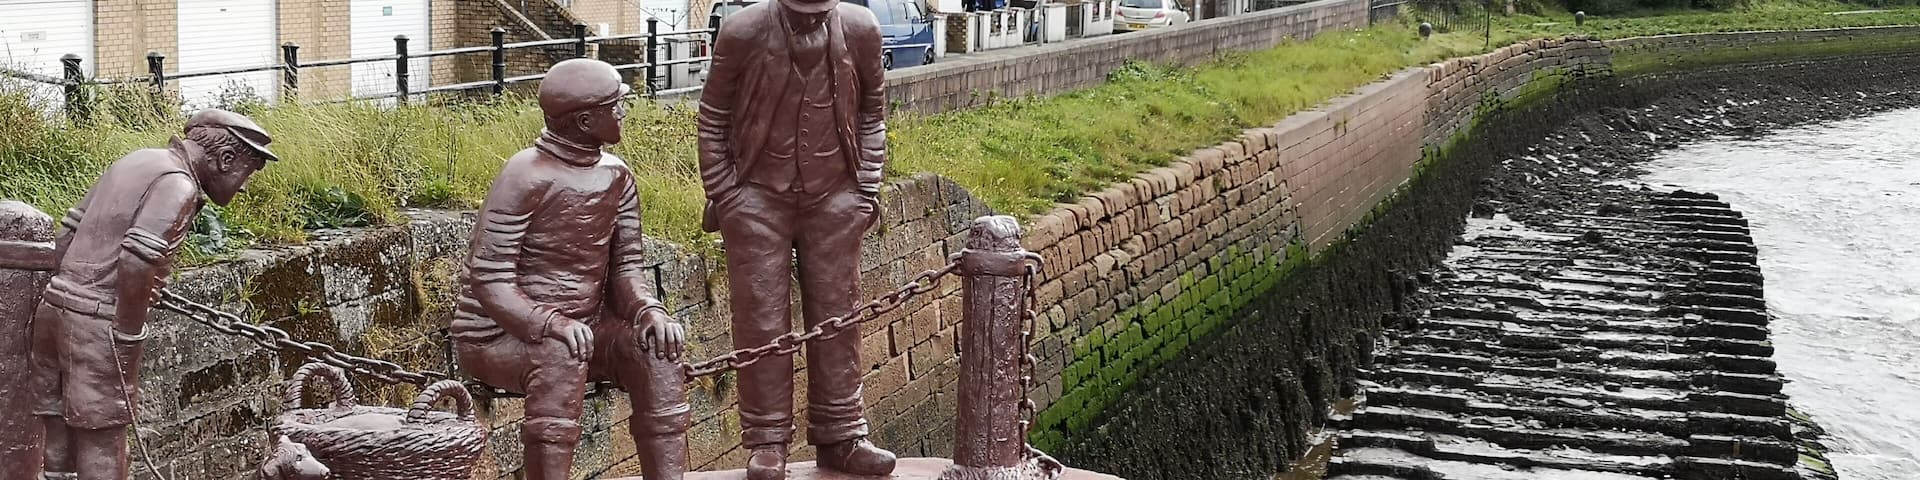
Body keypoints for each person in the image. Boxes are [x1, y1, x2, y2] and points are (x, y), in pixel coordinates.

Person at [450, 58, 692, 480]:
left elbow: (626, 272)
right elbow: (490, 278)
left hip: (587, 329)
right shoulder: (524, 175)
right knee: (559, 354)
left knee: (657, 349)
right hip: (501, 337)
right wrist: (549, 323)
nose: (623, 112)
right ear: (585, 120)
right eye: (615, 105)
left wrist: (649, 312)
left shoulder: (618, 176)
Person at [695, 0, 895, 475]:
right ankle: (766, 442)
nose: (810, 18)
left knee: (839, 316)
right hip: (758, 198)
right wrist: (727, 195)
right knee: (761, 322)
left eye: (818, 11)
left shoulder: (862, 28)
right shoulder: (742, 31)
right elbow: (712, 118)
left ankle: (842, 434)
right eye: (800, 11)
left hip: (834, 196)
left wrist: (864, 188)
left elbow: (873, 113)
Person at [30, 109, 276, 480]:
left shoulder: (138, 159)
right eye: (248, 174)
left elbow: (69, 229)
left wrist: (59, 293)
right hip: (97, 326)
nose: (244, 187)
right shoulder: (180, 186)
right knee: (104, 440)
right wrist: (128, 333)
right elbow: (137, 260)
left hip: (55, 309)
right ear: (226, 159)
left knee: (58, 435)